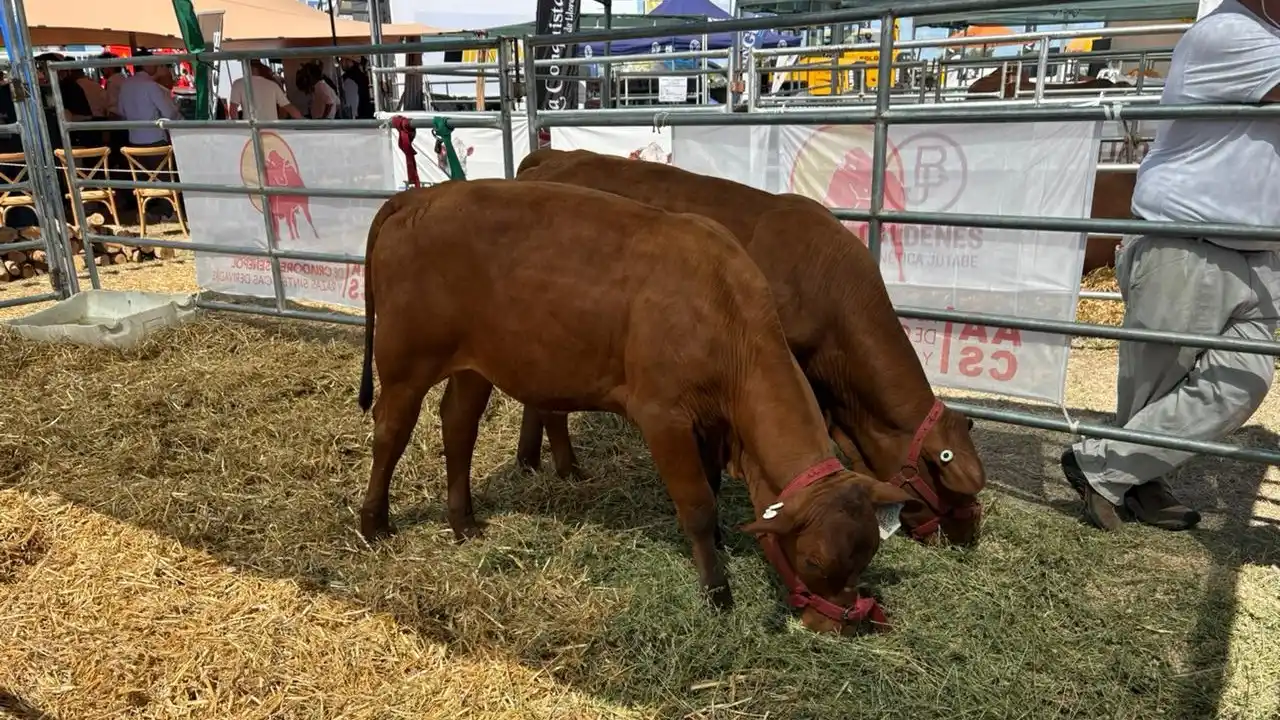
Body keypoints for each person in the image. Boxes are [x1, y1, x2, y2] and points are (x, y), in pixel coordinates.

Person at [1060, 0, 1280, 532]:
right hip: (1186, 242)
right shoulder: (1231, 32)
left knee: (1244, 378)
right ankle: (1134, 484)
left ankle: (1100, 465)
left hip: (1256, 251)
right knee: (1155, 388)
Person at [116, 49, 181, 154]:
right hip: (155, 140)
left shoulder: (125, 85)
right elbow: (169, 113)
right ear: (145, 64)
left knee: (141, 170)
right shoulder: (151, 85)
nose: (155, 64)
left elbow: (121, 112)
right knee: (160, 170)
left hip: (134, 141)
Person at [228, 59, 302, 121]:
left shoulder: (238, 84)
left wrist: (240, 129)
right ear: (260, 67)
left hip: (251, 132)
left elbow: (233, 110)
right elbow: (289, 108)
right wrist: (304, 122)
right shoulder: (272, 85)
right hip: (271, 132)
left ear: (246, 66)